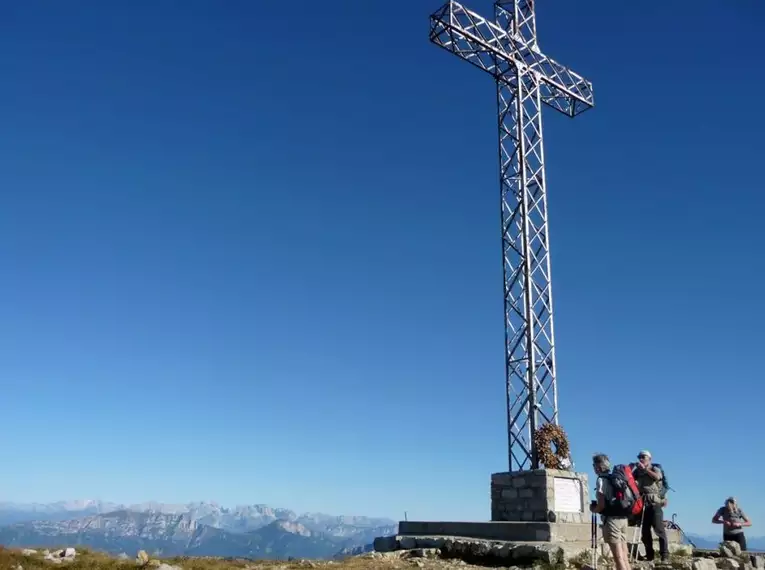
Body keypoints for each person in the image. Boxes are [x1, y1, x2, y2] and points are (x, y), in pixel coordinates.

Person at [591, 453, 632, 570]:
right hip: (623, 518)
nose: (593, 467)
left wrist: (594, 509)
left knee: (618, 557)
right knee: (624, 556)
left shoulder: (601, 480)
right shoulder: (616, 478)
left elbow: (601, 505)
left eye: (594, 465)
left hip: (611, 520)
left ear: (598, 467)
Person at [632, 450, 669, 563]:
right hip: (642, 503)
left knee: (659, 529)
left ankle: (664, 555)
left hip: (654, 503)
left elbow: (657, 477)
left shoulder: (654, 468)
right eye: (639, 457)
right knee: (645, 532)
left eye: (643, 457)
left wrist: (646, 469)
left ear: (649, 458)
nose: (641, 459)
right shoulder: (637, 472)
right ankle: (650, 555)